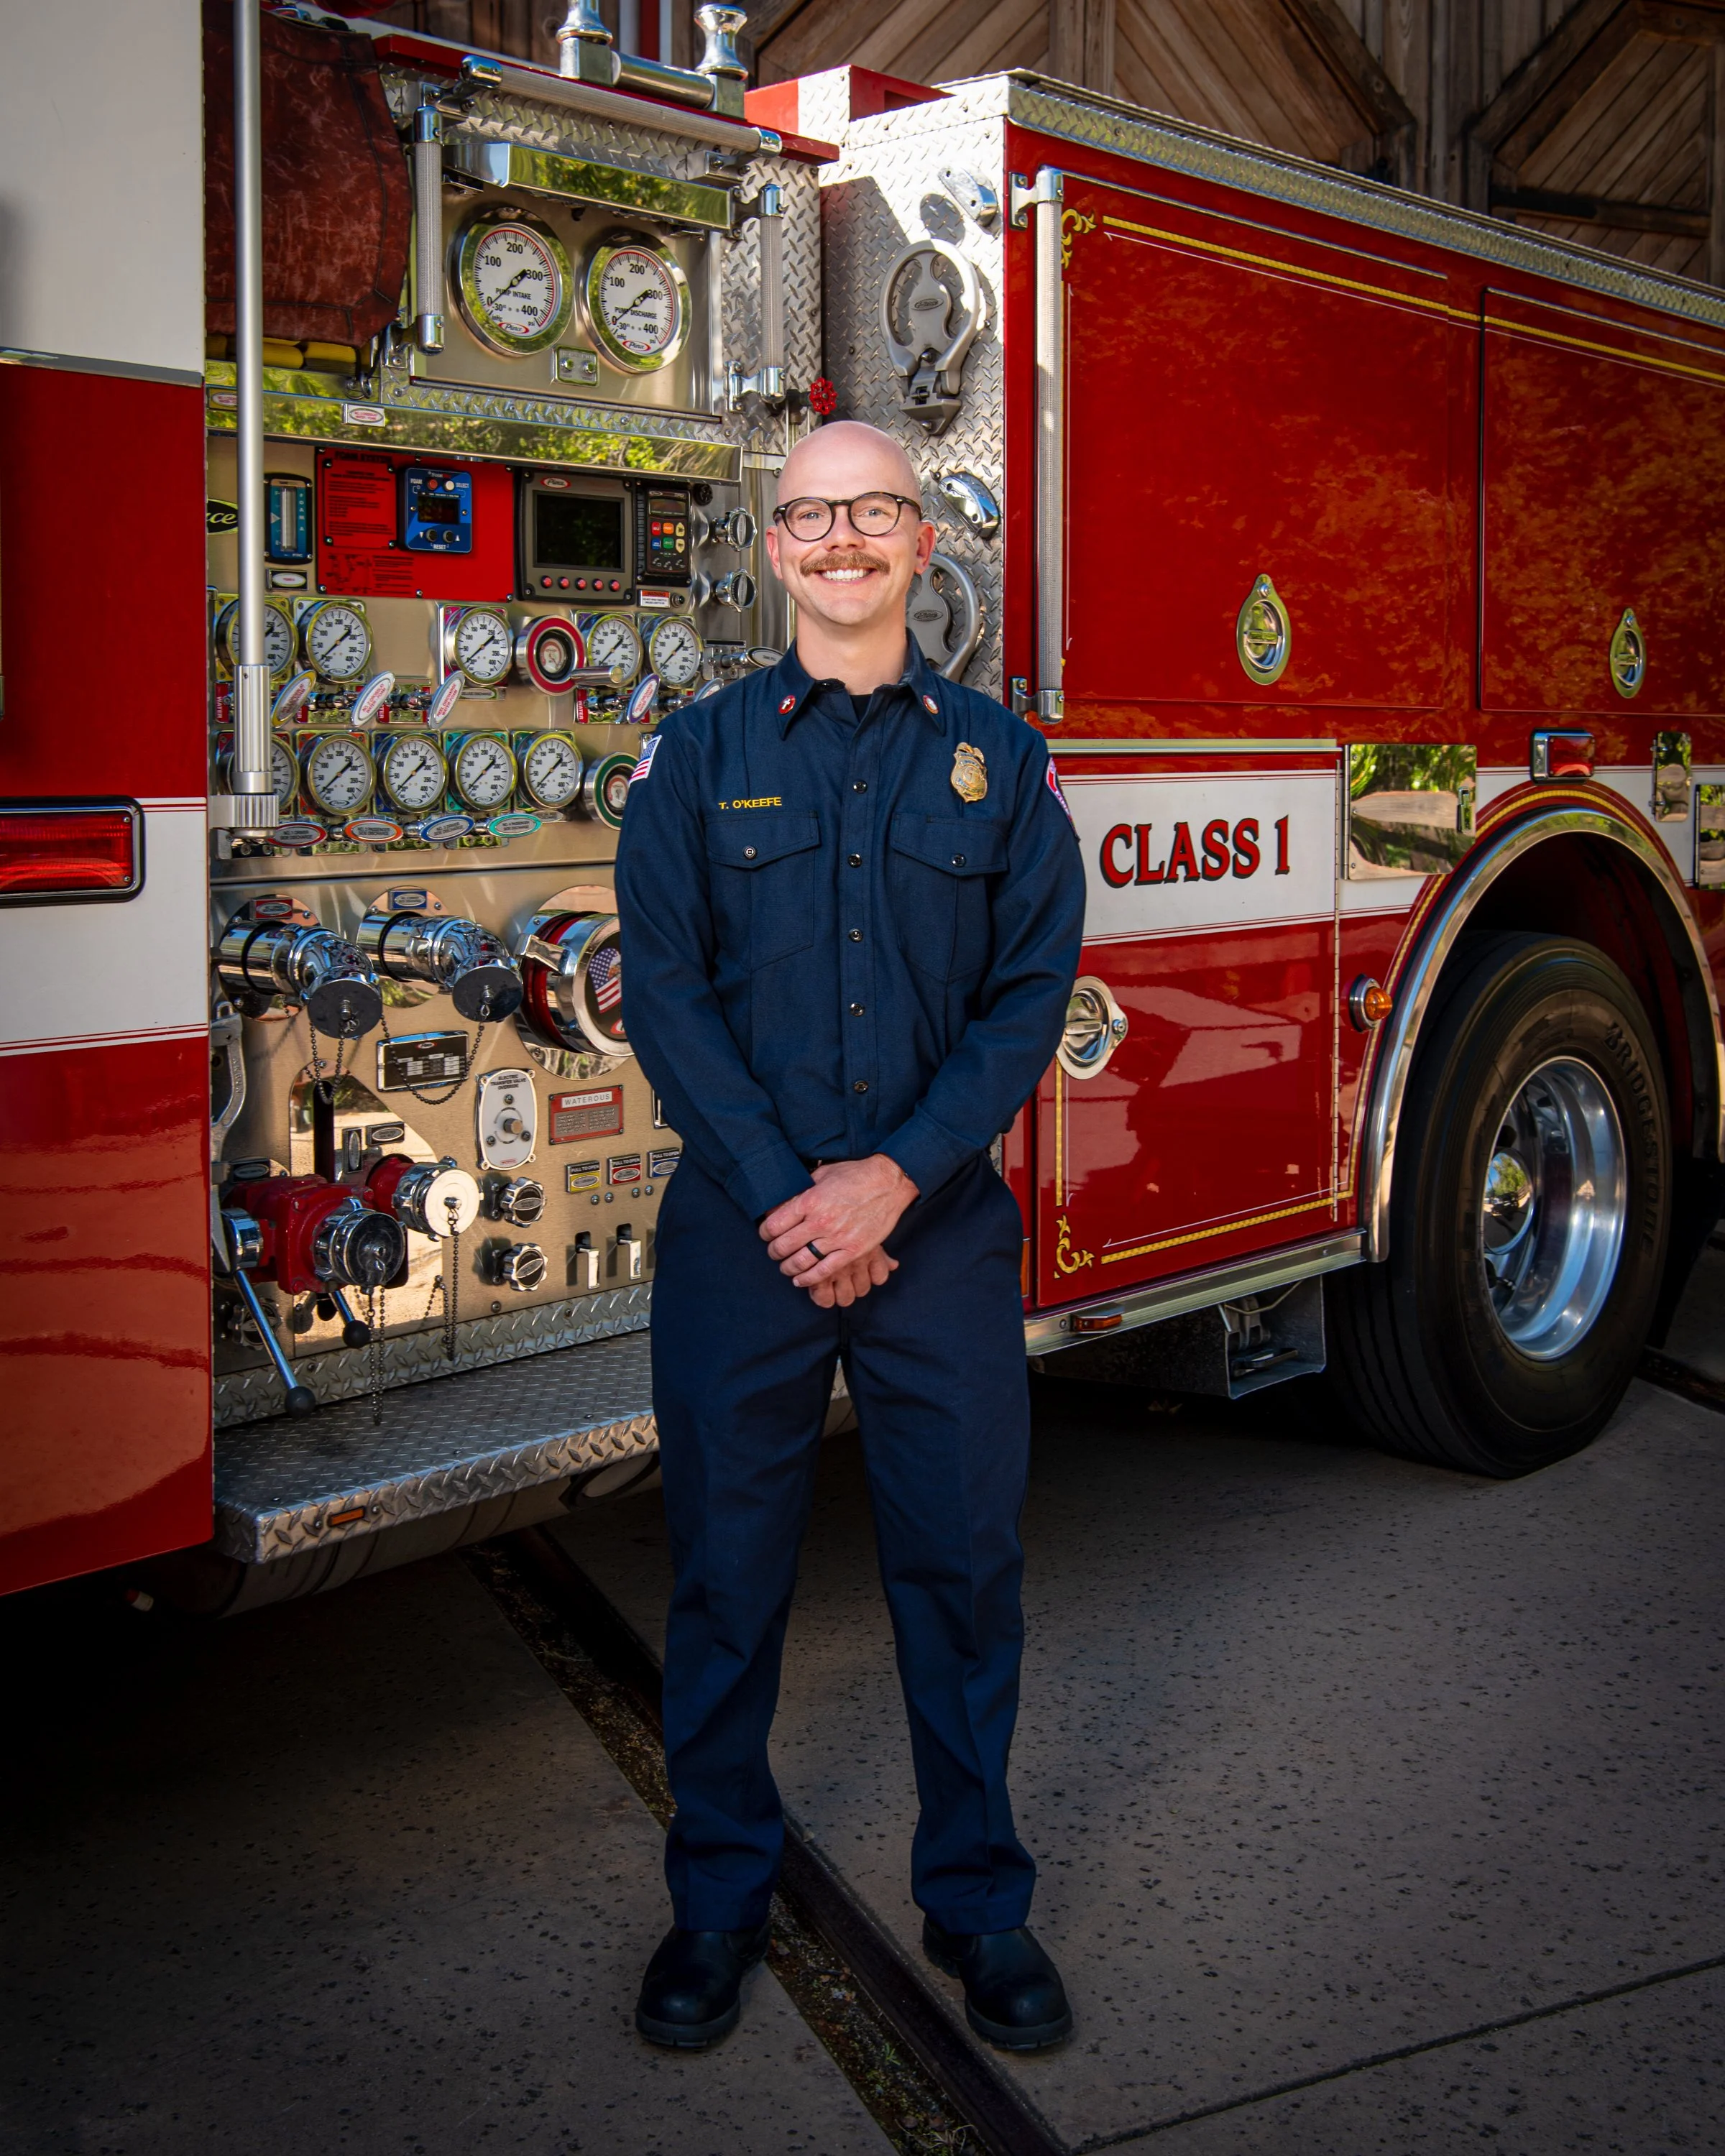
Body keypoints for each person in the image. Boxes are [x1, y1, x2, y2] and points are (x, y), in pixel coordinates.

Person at [614, 420, 1087, 2053]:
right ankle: (717, 1902)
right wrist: (792, 1197)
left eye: (873, 512)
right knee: (727, 1584)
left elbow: (1029, 996)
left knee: (963, 1578)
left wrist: (892, 1181)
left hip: (936, 1235)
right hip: (744, 1237)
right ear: (773, 545)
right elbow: (661, 995)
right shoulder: (694, 755)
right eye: (810, 516)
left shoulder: (1003, 767)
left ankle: (980, 1910)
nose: (840, 541)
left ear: (921, 543)